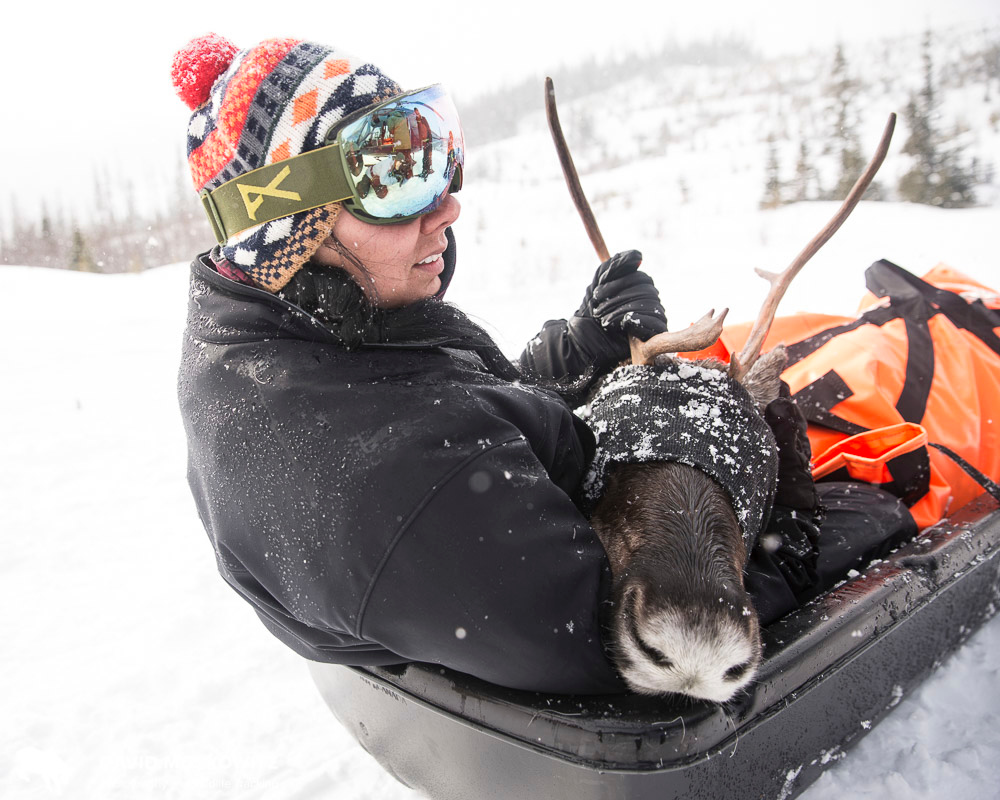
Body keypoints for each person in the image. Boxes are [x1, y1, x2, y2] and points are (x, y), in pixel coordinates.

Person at [171, 34, 673, 694]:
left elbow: (452, 412)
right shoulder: (390, 480)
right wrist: (681, 436)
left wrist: (581, 352)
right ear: (292, 228)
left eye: (429, 154)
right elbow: (650, 641)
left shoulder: (314, 340)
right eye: (392, 177)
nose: (447, 205)